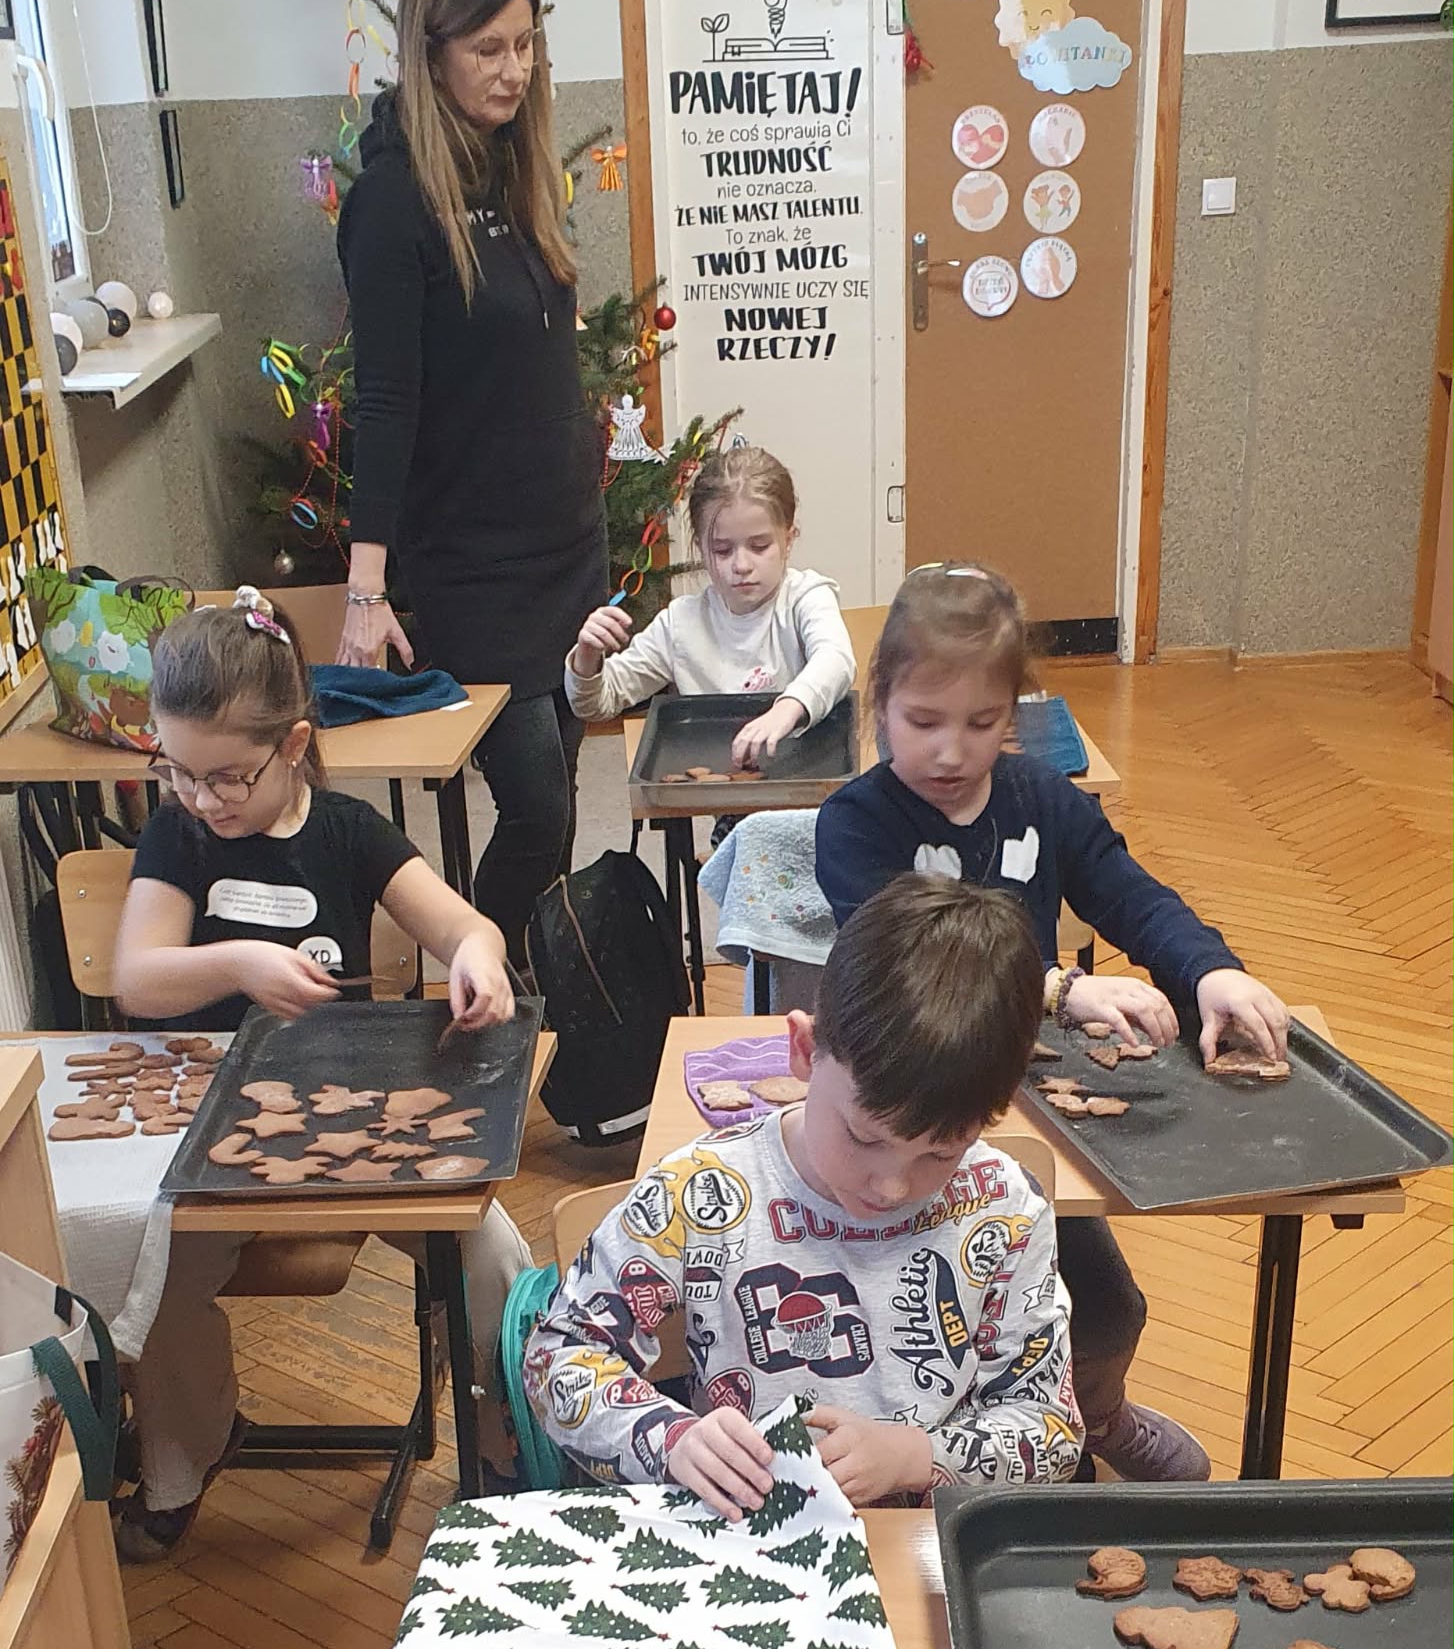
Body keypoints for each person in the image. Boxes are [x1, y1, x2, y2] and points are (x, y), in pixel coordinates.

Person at [815, 562, 1292, 1484]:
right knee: (929, 1328)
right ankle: (971, 1445)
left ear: (1015, 712)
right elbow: (911, 964)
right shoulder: (855, 823)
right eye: (923, 721)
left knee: (1107, 1313)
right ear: (879, 705)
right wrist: (1060, 988)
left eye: (982, 723)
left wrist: (1211, 972)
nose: (951, 750)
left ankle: (1092, 1415)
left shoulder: (1041, 799)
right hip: (908, 1121)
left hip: (1023, 1110)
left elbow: (1130, 893)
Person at [110, 589, 532, 1560]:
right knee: (151, 1284)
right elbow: (137, 977)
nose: (204, 798)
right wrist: (235, 964)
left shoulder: (346, 831)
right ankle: (184, 1457)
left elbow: (464, 925)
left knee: (490, 1256)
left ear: (294, 745)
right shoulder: (178, 834)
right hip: (215, 1138)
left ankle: (504, 1440)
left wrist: (477, 958)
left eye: (229, 776)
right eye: (179, 771)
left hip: (354, 1124)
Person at [526, 875, 1082, 1511]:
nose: (892, 1184)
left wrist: (919, 1456)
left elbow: (1053, 1431)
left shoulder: (1005, 1208)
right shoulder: (701, 1192)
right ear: (803, 1050)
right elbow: (558, 1353)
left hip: (929, 1546)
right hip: (751, 1533)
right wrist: (669, 1438)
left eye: (940, 1153)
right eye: (863, 1136)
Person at [336, 0, 606, 959]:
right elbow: (385, 401)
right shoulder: (390, 203)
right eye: (487, 48)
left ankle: (525, 990)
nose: (512, 69)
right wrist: (366, 588)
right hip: (474, 570)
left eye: (525, 43)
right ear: (432, 50)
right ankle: (480, 971)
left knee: (561, 797)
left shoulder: (513, 166)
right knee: (535, 807)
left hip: (565, 549)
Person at [565, 446, 856, 773]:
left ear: (789, 540)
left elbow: (836, 660)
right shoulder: (680, 625)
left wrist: (787, 708)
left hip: (806, 784)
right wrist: (587, 657)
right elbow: (596, 705)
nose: (741, 565)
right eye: (722, 550)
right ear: (701, 548)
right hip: (723, 790)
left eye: (759, 546)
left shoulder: (806, 597)